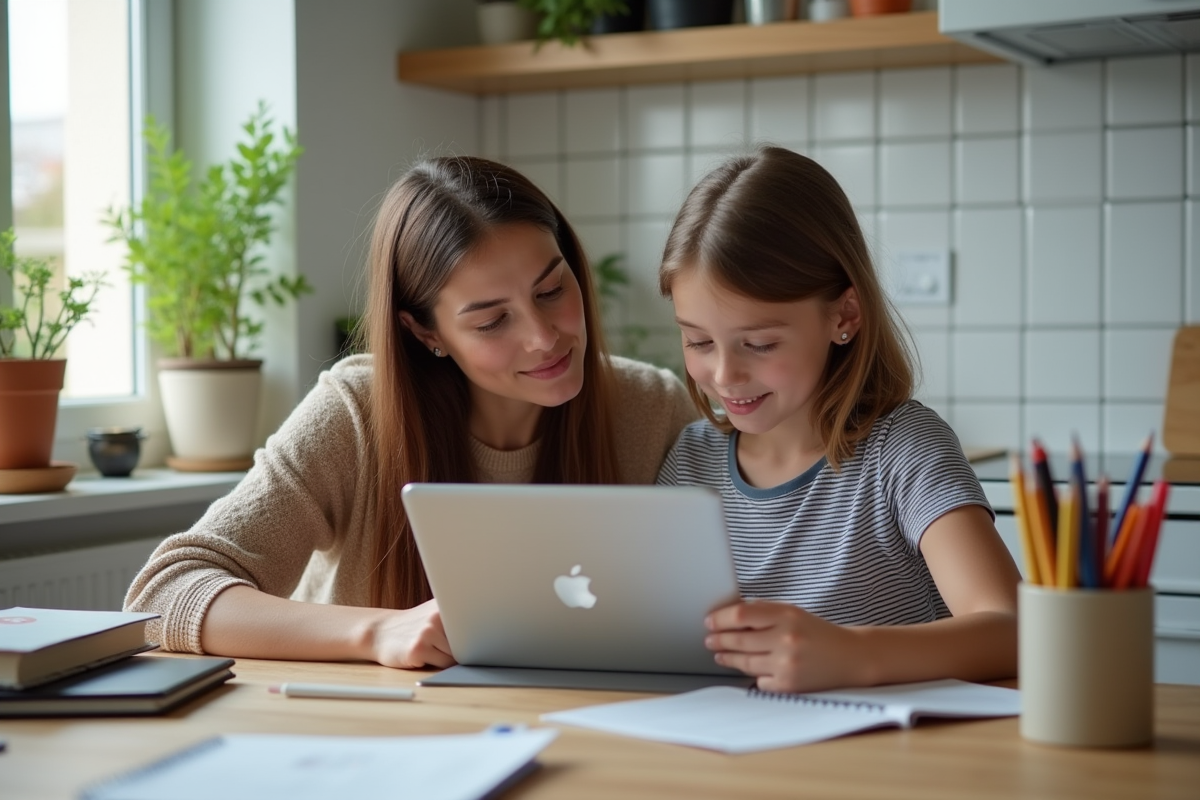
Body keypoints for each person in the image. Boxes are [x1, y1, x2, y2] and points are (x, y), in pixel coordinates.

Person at [125, 156, 695, 669]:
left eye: (551, 291)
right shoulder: (355, 414)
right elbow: (162, 595)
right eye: (492, 321)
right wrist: (377, 632)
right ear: (426, 332)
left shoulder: (652, 404)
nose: (543, 338)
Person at [655, 146, 1021, 694]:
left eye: (760, 343)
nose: (725, 375)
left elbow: (1014, 630)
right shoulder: (691, 459)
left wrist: (852, 654)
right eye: (698, 341)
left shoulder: (903, 450)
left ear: (844, 315)